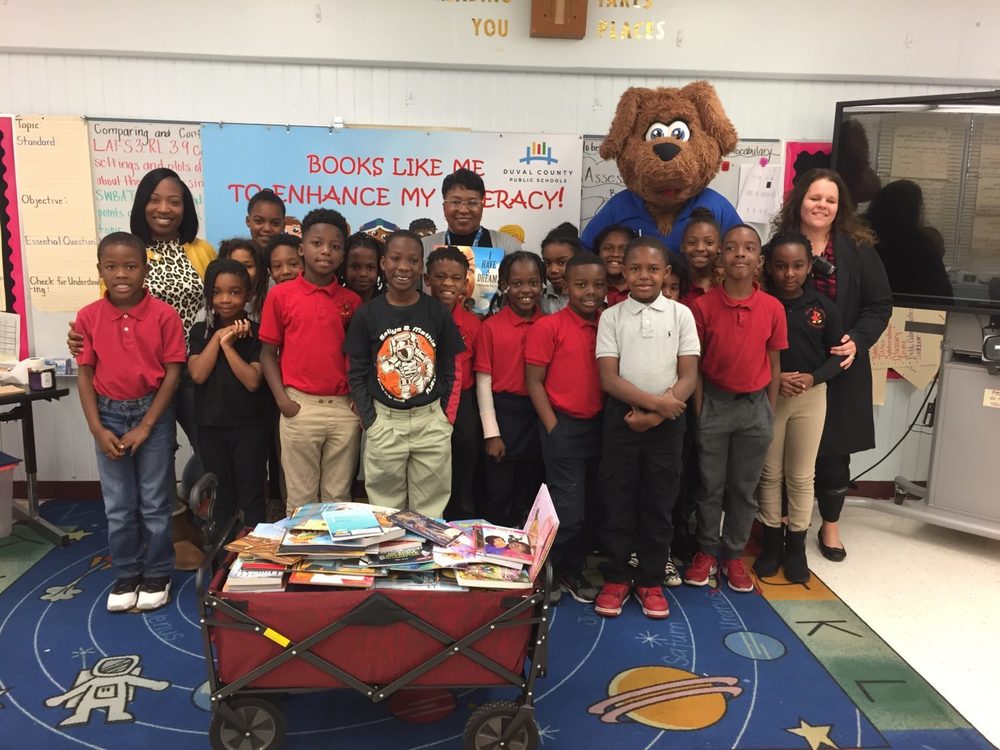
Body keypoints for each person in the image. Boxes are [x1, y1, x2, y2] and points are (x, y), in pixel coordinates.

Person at [67, 168, 216, 570]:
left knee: (212, 447)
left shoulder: (202, 251)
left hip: (196, 370)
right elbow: (107, 316)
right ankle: (173, 535)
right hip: (150, 376)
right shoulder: (128, 253)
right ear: (141, 204)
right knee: (157, 458)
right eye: (155, 199)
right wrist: (79, 342)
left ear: (185, 208)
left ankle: (204, 519)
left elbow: (221, 301)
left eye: (175, 201)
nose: (164, 208)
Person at [772, 169, 892, 562]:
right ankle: (786, 524)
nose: (821, 205)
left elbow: (879, 305)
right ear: (799, 201)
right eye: (814, 198)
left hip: (841, 365)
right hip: (788, 368)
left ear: (840, 207)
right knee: (783, 448)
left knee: (834, 450)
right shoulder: (779, 245)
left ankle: (830, 525)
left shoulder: (858, 249)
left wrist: (857, 339)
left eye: (830, 200)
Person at [75, 232, 185, 612]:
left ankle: (157, 573)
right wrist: (96, 427)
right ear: (100, 270)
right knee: (118, 504)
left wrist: (147, 424)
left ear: (145, 268)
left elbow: (172, 374)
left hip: (151, 412)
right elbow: (85, 375)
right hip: (107, 413)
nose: (121, 274)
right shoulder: (89, 317)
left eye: (130, 266)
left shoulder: (164, 315)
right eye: (111, 267)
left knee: (154, 501)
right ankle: (126, 574)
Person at [594, 237, 699, 619]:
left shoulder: (681, 315)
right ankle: (617, 577)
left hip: (668, 424)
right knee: (619, 499)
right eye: (635, 268)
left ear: (666, 273)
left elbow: (688, 375)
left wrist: (658, 414)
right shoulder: (612, 316)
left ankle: (651, 580)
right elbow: (609, 378)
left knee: (659, 503)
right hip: (623, 419)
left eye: (653, 269)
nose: (643, 276)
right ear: (623, 270)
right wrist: (655, 404)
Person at [684, 224, 788, 593]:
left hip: (755, 408)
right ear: (720, 258)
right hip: (714, 404)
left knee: (744, 490)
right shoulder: (702, 306)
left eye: (748, 248)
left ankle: (732, 555)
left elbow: (774, 365)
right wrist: (699, 413)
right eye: (731, 248)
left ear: (760, 260)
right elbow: (693, 366)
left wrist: (769, 412)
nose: (740, 254)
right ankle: (707, 551)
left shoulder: (773, 308)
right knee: (710, 486)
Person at [344, 230, 465, 518]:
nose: (403, 267)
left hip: (430, 423)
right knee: (386, 512)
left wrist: (445, 418)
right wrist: (370, 420)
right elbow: (357, 372)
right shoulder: (367, 314)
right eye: (396, 258)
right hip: (385, 423)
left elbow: (450, 367)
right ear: (383, 263)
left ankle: (424, 559)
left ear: (422, 267)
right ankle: (389, 561)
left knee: (430, 513)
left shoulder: (436, 312)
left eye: (412, 260)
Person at [755, 232, 845, 584]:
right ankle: (771, 546)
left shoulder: (823, 307)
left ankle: (797, 547)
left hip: (810, 397)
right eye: (780, 266)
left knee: (801, 474)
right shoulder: (761, 303)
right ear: (769, 267)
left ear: (809, 266)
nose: (788, 274)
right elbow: (752, 354)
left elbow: (838, 357)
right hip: (770, 396)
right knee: (770, 472)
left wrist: (811, 378)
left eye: (796, 266)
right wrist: (774, 381)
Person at [259, 208, 362, 513]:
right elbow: (267, 355)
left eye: (335, 246)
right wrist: (284, 401)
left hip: (343, 409)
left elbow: (356, 358)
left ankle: (334, 560)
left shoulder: (351, 301)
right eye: (317, 243)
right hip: (299, 406)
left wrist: (356, 402)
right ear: (302, 248)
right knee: (301, 498)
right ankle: (301, 558)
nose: (326, 251)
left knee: (338, 498)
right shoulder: (281, 296)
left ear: (343, 253)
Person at [525, 253, 608, 603]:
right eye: (581, 285)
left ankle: (573, 568)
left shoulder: (610, 322)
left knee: (591, 507)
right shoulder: (548, 327)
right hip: (563, 426)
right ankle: (548, 570)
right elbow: (534, 382)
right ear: (565, 286)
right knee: (567, 508)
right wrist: (554, 427)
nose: (590, 292)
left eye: (598, 285)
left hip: (602, 427)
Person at [187, 259, 271, 533]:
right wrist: (218, 337)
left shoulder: (257, 333)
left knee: (252, 496)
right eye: (218, 292)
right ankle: (224, 561)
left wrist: (228, 345)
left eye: (234, 292)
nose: (225, 299)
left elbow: (252, 381)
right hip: (211, 428)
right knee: (221, 496)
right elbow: (198, 374)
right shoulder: (200, 332)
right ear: (209, 295)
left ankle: (253, 563)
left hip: (251, 428)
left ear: (247, 295)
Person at [475, 252, 546, 527]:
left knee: (529, 493)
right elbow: (483, 383)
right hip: (503, 415)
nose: (525, 290)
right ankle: (494, 557)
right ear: (504, 284)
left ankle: (525, 558)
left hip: (537, 415)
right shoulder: (490, 328)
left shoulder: (550, 324)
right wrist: (492, 433)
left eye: (533, 282)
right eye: (517, 283)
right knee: (498, 493)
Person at [424, 246, 482, 519]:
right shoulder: (416, 317)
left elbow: (481, 374)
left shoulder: (474, 325)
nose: (447, 283)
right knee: (427, 471)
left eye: (456, 278)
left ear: (465, 282)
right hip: (425, 404)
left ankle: (461, 522)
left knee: (463, 470)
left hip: (464, 408)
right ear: (427, 279)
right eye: (440, 276)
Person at [865, 179, 952, 299]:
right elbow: (944, 297)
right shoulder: (921, 248)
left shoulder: (862, 238)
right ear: (915, 211)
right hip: (915, 311)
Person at [420, 169, 523, 264]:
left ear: (482, 206)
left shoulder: (507, 246)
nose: (463, 210)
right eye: (455, 202)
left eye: (472, 203)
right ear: (444, 206)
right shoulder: (423, 247)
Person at [217, 238, 269, 320]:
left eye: (248, 266)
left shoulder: (270, 303)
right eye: (233, 265)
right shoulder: (209, 310)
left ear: (259, 270)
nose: (240, 271)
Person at [680, 207, 721, 307]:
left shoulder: (726, 286)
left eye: (709, 243)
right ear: (682, 247)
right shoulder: (675, 286)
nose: (700, 248)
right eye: (692, 242)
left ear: (720, 248)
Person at [540, 226, 581, 314]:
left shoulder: (587, 296)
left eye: (561, 262)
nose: (553, 270)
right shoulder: (540, 297)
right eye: (547, 263)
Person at [594, 224, 636, 307]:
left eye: (623, 249)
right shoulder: (590, 289)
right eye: (608, 248)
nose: (615, 254)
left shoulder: (642, 289)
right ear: (598, 253)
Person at [341, 232, 385, 303]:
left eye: (370, 267)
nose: (363, 274)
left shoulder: (388, 305)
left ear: (379, 269)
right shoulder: (332, 303)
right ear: (344, 267)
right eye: (355, 267)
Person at [245, 188, 286, 254]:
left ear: (283, 226)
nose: (267, 229)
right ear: (248, 221)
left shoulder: (290, 260)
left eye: (275, 223)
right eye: (259, 221)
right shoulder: (237, 258)